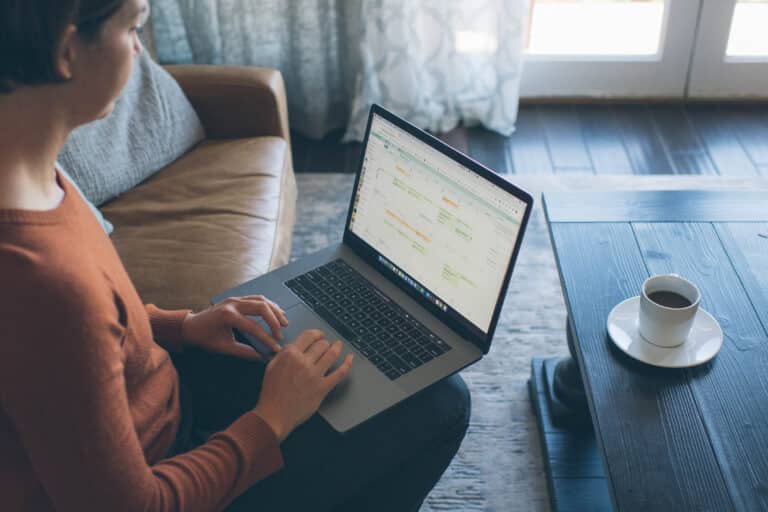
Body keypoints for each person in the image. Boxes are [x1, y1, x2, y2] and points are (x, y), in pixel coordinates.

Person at [0, 1, 471, 511]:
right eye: (133, 28)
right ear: (67, 50)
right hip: (169, 470)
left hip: (161, 403)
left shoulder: (31, 169)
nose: (139, 50)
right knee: (442, 405)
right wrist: (271, 419)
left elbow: (84, 349)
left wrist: (182, 326)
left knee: (341, 363)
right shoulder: (45, 283)